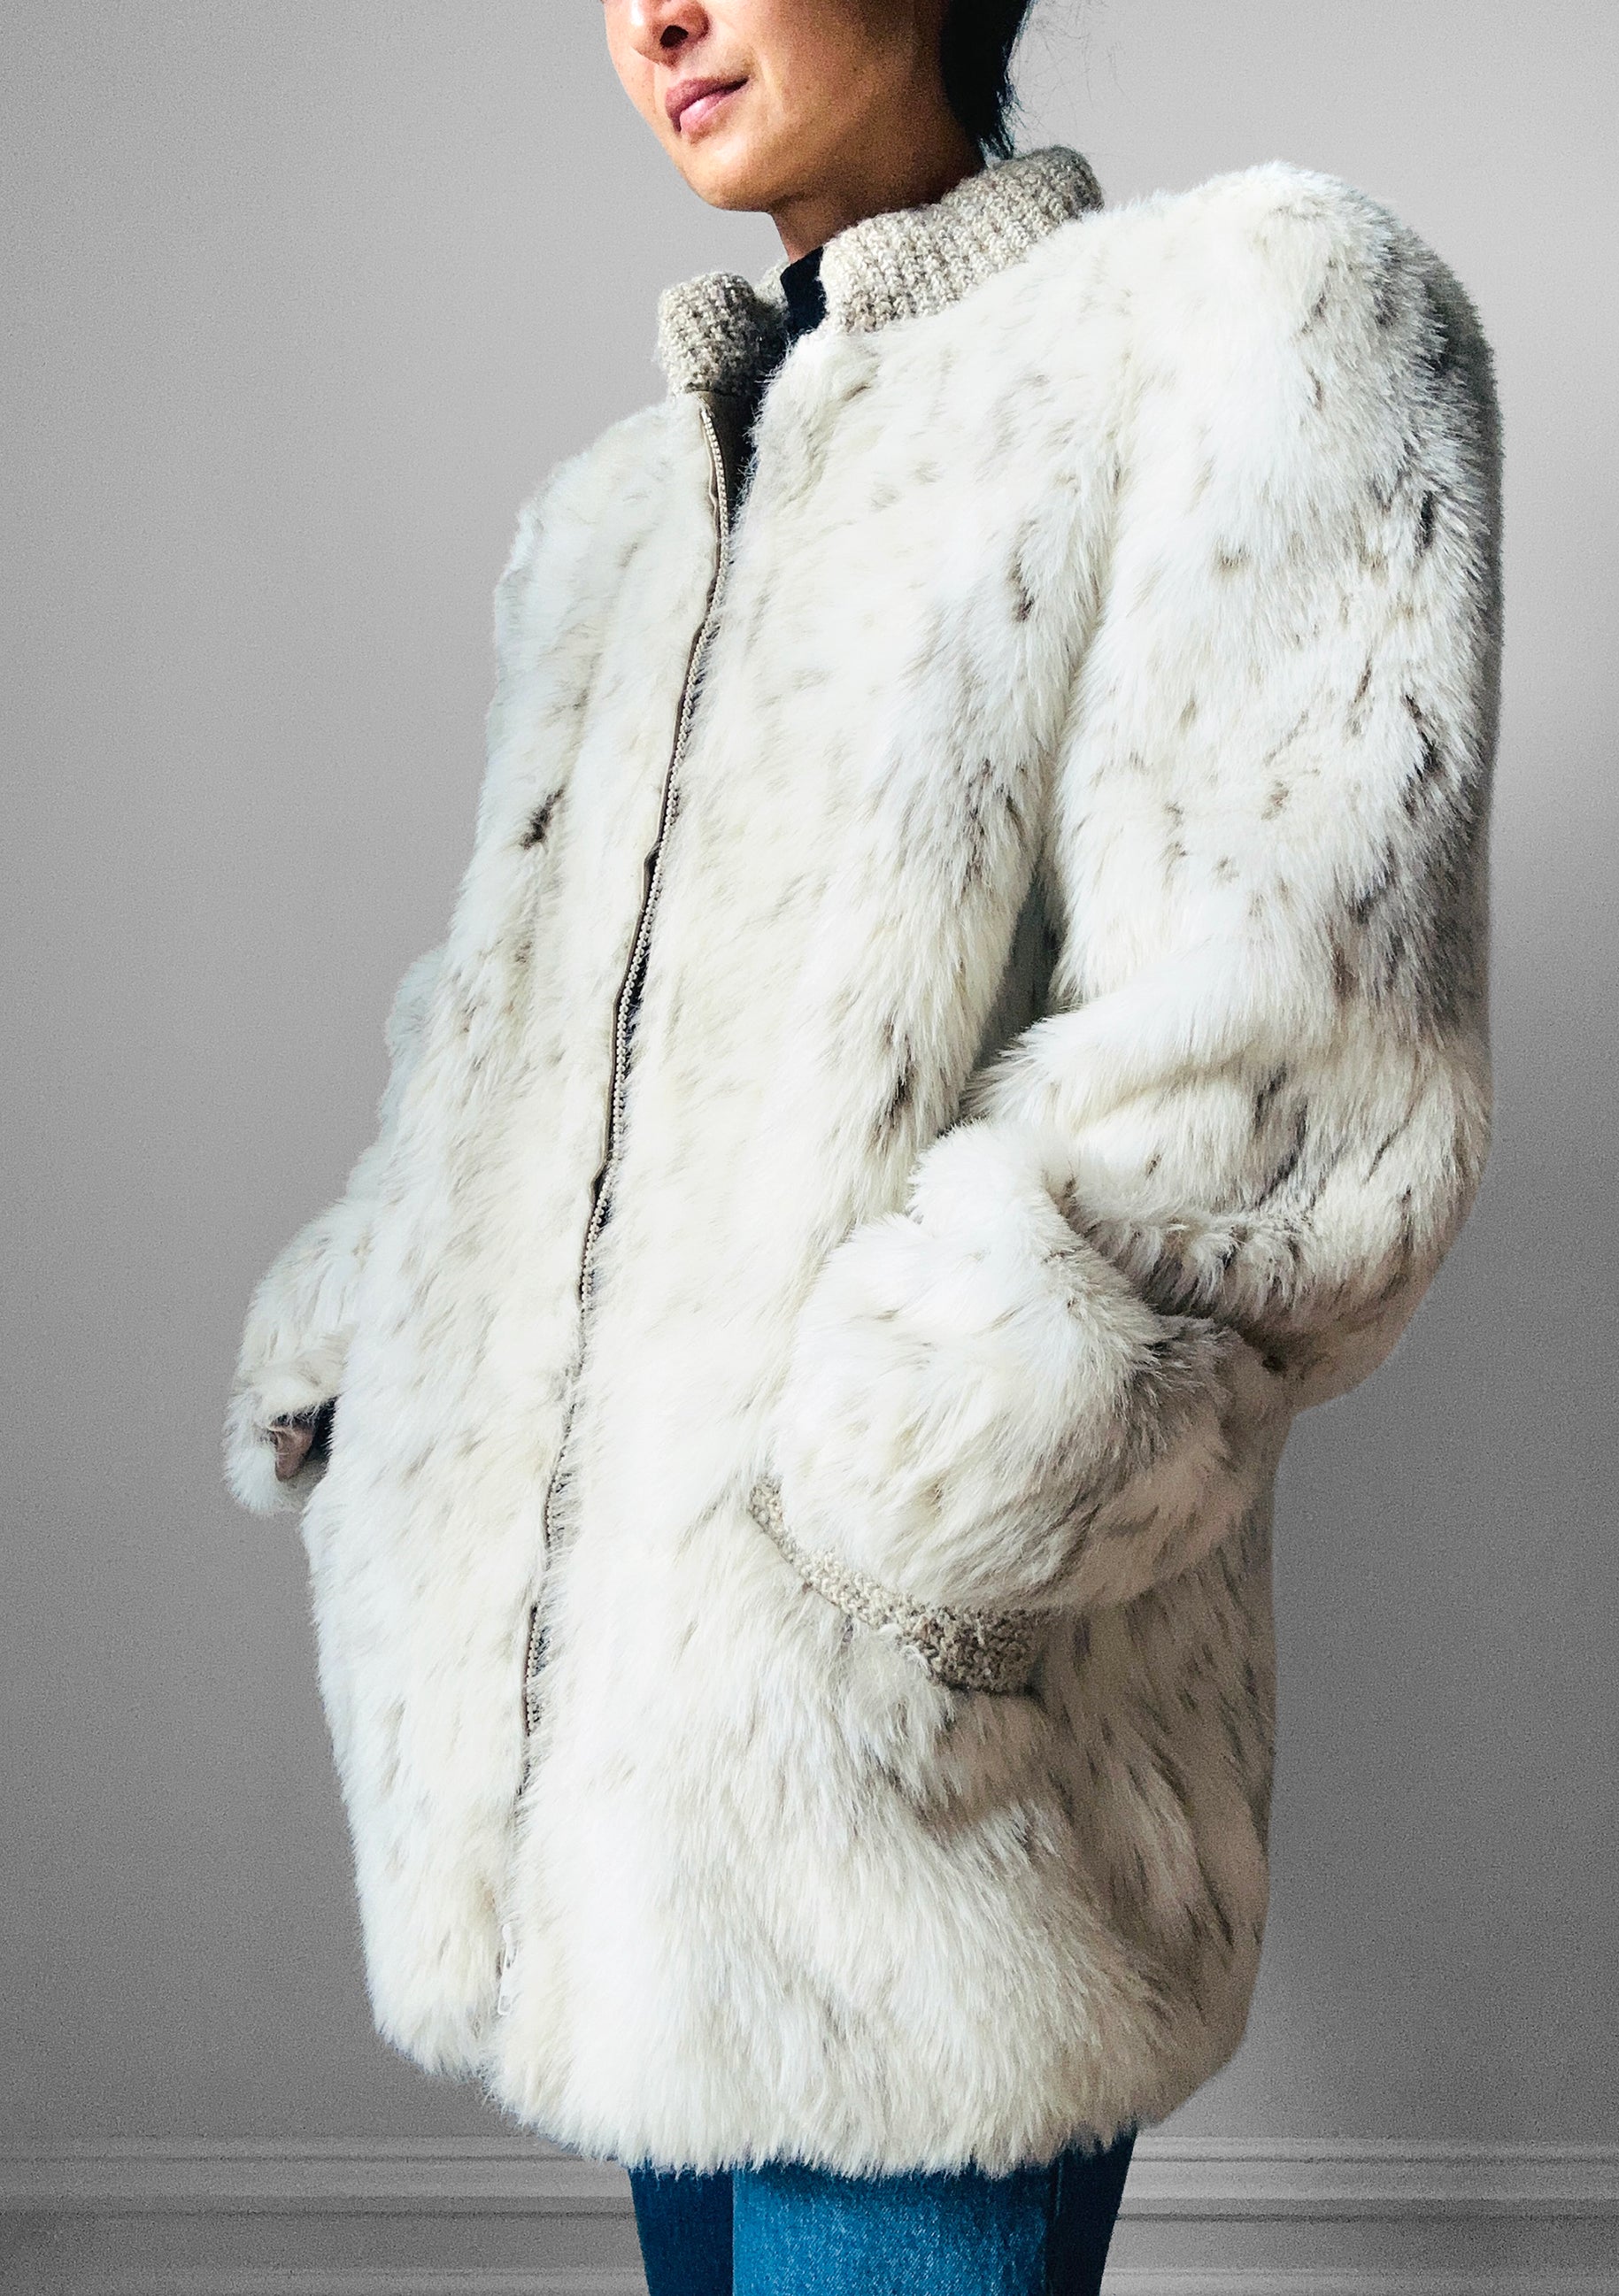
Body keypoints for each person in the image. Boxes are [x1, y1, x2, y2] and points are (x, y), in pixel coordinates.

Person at [226, 2, 1502, 2288]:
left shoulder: (1233, 329)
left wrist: (908, 1515)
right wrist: (379, 1344)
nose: (656, 18)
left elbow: (1273, 1093)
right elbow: (507, 1032)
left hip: (929, 1807)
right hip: (615, 1837)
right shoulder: (617, 519)